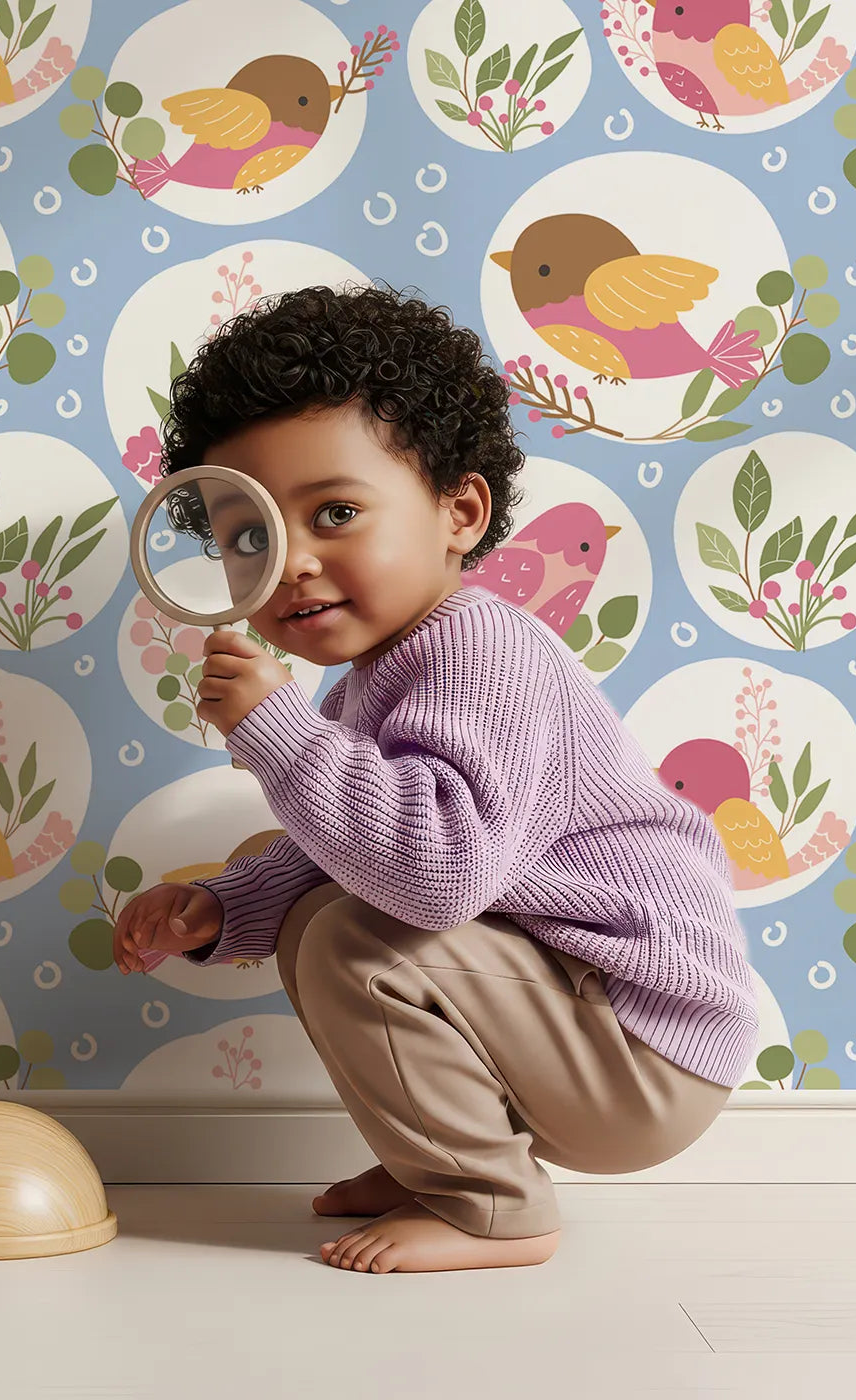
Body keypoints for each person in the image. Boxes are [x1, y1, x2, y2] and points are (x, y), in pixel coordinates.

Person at [112, 284, 757, 1275]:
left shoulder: (481, 653)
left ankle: (488, 1203)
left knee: (353, 945)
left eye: (333, 511)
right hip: (577, 1016)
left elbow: (434, 876)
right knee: (319, 912)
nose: (291, 563)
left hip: (644, 1041)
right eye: (250, 535)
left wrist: (275, 729)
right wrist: (218, 906)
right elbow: (340, 851)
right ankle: (438, 1159)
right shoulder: (384, 673)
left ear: (458, 511)